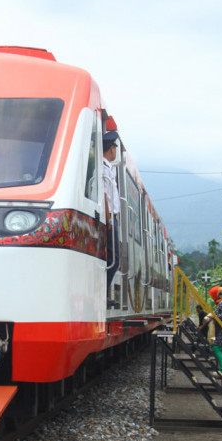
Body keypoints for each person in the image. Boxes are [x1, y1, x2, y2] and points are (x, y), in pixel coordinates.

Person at [102, 130, 121, 308]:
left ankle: (104, 293)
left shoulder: (109, 167)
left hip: (113, 217)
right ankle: (102, 293)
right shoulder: (102, 167)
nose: (115, 150)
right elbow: (104, 194)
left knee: (113, 258)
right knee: (113, 259)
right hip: (109, 218)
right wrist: (108, 219)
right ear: (111, 149)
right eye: (114, 146)